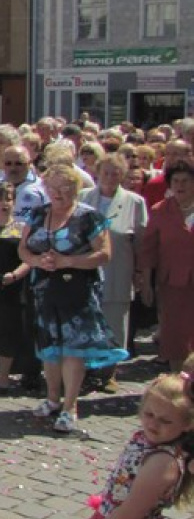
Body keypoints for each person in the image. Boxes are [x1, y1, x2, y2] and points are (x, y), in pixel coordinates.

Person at [20, 164, 123, 434]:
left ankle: (70, 406)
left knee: (73, 349)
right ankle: (52, 398)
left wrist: (69, 261)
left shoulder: (88, 217)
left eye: (64, 188)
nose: (57, 193)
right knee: (50, 347)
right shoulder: (38, 213)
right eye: (52, 188)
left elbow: (104, 254)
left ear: (76, 189)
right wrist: (37, 260)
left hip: (78, 290)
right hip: (44, 288)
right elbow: (23, 249)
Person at [82, 370, 194, 519]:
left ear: (188, 424)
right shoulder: (143, 440)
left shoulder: (162, 462)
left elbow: (131, 514)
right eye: (149, 414)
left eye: (165, 421)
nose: (153, 424)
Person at [79, 153, 148, 393]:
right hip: (86, 271)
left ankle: (109, 373)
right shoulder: (83, 198)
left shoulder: (135, 202)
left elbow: (141, 241)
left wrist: (140, 272)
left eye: (115, 172)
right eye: (106, 172)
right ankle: (86, 371)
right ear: (97, 172)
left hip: (119, 269)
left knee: (116, 323)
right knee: (88, 323)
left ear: (124, 175)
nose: (110, 177)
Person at [139, 159, 194, 372]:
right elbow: (148, 250)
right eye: (176, 181)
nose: (180, 185)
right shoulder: (160, 210)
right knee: (175, 337)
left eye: (186, 181)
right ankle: (179, 386)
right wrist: (145, 283)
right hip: (172, 284)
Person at [0, 182, 32, 395]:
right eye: (0, 198)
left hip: (13, 286)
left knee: (9, 332)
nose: (5, 203)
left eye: (9, 198)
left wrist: (15, 275)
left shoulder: (21, 228)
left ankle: (3, 378)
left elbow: (29, 257)